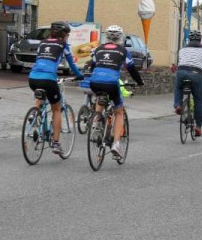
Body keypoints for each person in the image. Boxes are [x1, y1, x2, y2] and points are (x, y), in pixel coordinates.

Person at [28, 21, 84, 154]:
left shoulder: (42, 43)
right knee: (56, 109)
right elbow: (71, 63)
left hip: (33, 78)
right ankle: (56, 142)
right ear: (64, 35)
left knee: (41, 93)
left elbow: (39, 60)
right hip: (49, 79)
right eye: (67, 35)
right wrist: (79, 76)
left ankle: (35, 112)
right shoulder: (62, 44)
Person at [90, 25, 144, 158]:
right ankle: (116, 144)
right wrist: (140, 82)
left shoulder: (98, 49)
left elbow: (93, 66)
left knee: (100, 97)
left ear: (106, 37)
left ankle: (96, 121)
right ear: (121, 38)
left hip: (95, 82)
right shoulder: (123, 51)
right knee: (119, 112)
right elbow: (132, 69)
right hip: (111, 83)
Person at [173, 29, 202, 137]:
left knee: (178, 87)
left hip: (181, 71)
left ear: (189, 39)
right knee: (198, 100)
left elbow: (179, 61)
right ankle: (198, 126)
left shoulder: (182, 49)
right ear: (200, 40)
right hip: (196, 73)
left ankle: (178, 105)